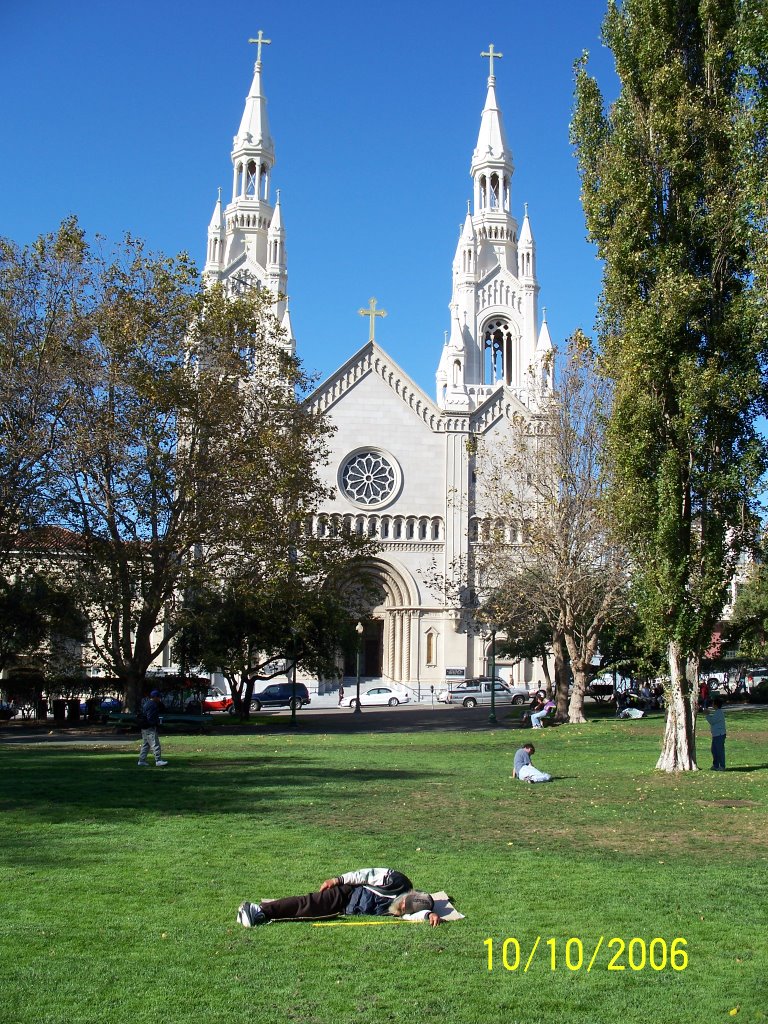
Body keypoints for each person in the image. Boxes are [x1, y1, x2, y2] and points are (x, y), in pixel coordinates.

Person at [237, 867, 443, 927]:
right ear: (406, 898)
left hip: (345, 909)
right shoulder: (396, 881)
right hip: (345, 893)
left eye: (403, 913)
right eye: (402, 909)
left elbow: (412, 916)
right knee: (308, 903)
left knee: (309, 911)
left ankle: (263, 913)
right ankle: (258, 911)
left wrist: (428, 916)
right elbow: (366, 874)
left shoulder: (403, 910)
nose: (400, 913)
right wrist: (337, 880)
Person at [137, 689, 168, 767]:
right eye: (158, 697)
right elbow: (150, 717)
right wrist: (154, 724)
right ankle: (158, 760)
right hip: (149, 727)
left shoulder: (147, 703)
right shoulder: (153, 705)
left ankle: (142, 760)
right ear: (155, 697)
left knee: (146, 744)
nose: (159, 699)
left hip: (144, 727)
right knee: (155, 743)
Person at [701, 697, 727, 771]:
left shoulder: (719, 712)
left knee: (719, 750)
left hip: (719, 734)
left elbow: (712, 721)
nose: (712, 705)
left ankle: (722, 766)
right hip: (716, 734)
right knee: (714, 750)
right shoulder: (717, 712)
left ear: (715, 704)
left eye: (713, 703)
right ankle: (716, 765)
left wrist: (707, 715)